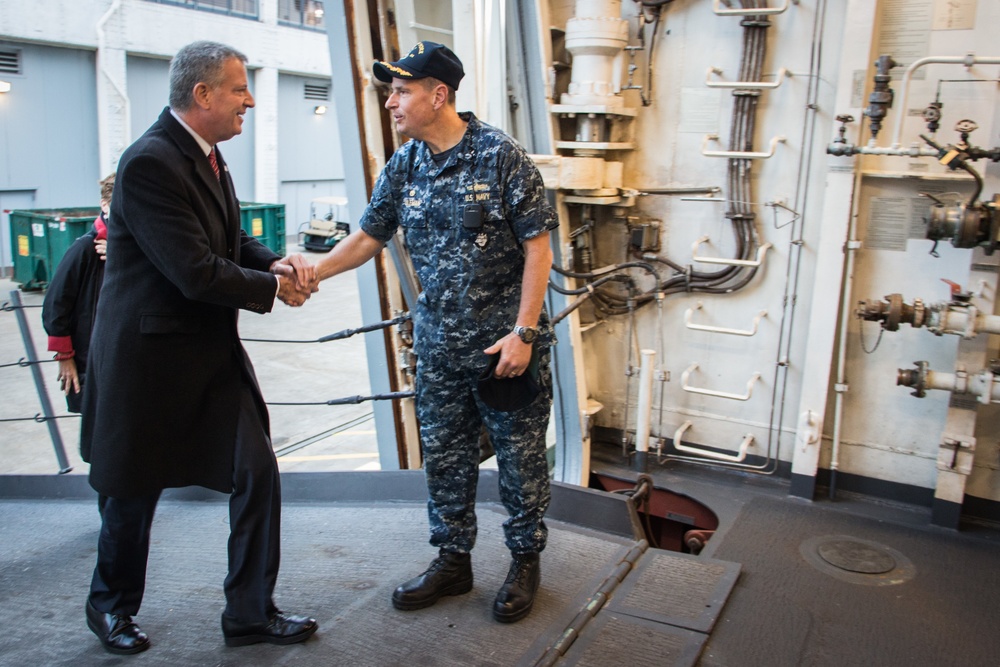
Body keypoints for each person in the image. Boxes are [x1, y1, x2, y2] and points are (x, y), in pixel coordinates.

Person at [79, 41, 318, 655]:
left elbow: (230, 238)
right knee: (132, 493)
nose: (251, 98)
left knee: (257, 471)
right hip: (149, 362)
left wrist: (278, 262)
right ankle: (109, 607)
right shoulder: (150, 162)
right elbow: (194, 270)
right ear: (202, 94)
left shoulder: (207, 157)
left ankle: (248, 613)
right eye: (240, 88)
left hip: (207, 357)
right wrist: (274, 290)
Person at [313, 41, 557, 624]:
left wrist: (524, 333)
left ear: (437, 94)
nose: (392, 103)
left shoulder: (501, 156)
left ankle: (525, 561)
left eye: (401, 91)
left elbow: (538, 248)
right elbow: (369, 237)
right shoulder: (406, 164)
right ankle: (453, 561)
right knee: (445, 460)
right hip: (439, 348)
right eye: (391, 92)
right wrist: (308, 273)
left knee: (521, 462)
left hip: (502, 349)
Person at [43, 173, 114, 414]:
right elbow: (56, 303)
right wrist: (65, 355)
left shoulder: (129, 248)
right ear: (105, 205)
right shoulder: (85, 247)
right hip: (90, 362)